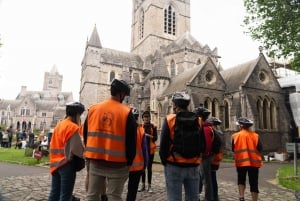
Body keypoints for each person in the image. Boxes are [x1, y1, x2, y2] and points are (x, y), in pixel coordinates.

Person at [84, 78, 137, 201]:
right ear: (121, 94)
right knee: (114, 197)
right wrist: (129, 163)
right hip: (118, 165)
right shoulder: (126, 112)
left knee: (92, 196)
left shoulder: (93, 109)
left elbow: (87, 135)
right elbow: (131, 142)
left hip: (96, 162)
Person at [159, 92, 204, 201]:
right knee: (193, 198)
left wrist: (167, 162)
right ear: (187, 105)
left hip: (174, 165)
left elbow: (163, 146)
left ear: (174, 105)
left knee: (174, 198)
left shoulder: (170, 119)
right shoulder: (198, 120)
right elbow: (202, 145)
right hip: (193, 166)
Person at [48, 102, 85, 201]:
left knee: (54, 193)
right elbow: (78, 150)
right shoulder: (72, 127)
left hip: (55, 164)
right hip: (66, 164)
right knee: (65, 196)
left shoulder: (59, 125)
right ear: (77, 114)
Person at [232, 117, 263, 201]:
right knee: (254, 183)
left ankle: (241, 197)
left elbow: (233, 149)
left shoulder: (235, 136)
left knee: (241, 179)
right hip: (254, 163)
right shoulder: (256, 136)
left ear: (241, 126)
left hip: (241, 162)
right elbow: (260, 148)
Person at [126, 108, 149, 201]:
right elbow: (144, 149)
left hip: (123, 163)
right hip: (137, 165)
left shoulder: (123, 128)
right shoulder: (141, 130)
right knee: (132, 190)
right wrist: (145, 164)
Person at [194, 107, 214, 201]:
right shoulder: (207, 127)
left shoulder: (205, 128)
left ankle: (208, 198)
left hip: (204, 157)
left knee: (206, 179)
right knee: (200, 177)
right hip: (205, 156)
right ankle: (197, 195)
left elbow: (207, 144)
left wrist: (203, 154)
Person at [138, 110, 157, 193]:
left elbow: (155, 138)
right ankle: (143, 185)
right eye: (144, 117)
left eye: (147, 117)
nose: (146, 118)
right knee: (142, 168)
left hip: (150, 150)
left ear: (149, 118)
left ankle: (149, 186)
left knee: (149, 168)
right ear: (142, 118)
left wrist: (148, 135)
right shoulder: (140, 127)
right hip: (142, 150)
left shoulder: (153, 126)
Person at [207, 117, 224, 201]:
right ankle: (214, 196)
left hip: (212, 159)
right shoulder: (220, 133)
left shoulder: (213, 133)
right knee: (213, 178)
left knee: (210, 179)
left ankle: (212, 197)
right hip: (217, 159)